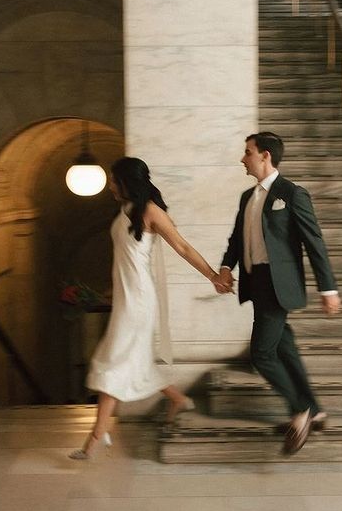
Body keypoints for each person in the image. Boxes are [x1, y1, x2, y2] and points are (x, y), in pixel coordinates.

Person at [70, 156, 227, 460]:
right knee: (129, 362)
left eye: (114, 179)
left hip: (139, 300)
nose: (111, 184)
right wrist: (112, 289)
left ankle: (95, 437)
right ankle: (178, 399)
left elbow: (182, 247)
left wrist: (212, 277)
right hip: (126, 296)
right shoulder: (127, 209)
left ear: (127, 180)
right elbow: (123, 258)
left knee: (111, 362)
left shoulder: (152, 212)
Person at [216, 131, 341, 455]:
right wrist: (226, 267)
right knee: (283, 344)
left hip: (277, 284)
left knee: (262, 353)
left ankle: (301, 410)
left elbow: (315, 243)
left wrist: (328, 288)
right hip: (255, 281)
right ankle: (315, 407)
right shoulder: (248, 197)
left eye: (248, 152)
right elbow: (235, 239)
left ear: (265, 156)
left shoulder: (292, 193)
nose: (243, 158)